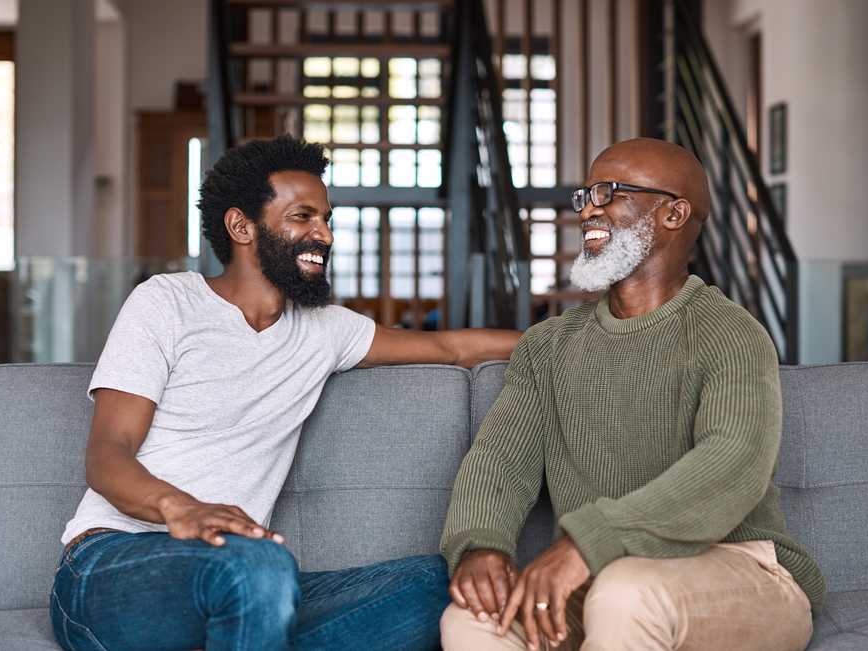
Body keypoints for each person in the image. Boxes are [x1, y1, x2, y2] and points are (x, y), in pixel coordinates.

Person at [50, 136, 521, 651]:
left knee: (443, 581)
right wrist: (179, 507)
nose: (324, 234)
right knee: (259, 566)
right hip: (114, 565)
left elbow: (452, 348)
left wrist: (579, 331)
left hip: (246, 578)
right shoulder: (167, 302)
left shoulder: (324, 330)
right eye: (302, 217)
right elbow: (107, 452)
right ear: (241, 226)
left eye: (326, 219)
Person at [440, 138, 826, 651]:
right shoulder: (549, 346)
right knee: (471, 621)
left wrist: (587, 542)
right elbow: (500, 462)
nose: (589, 207)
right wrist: (480, 545)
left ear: (674, 213)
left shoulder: (730, 332)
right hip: (598, 578)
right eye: (586, 195)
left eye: (610, 192)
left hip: (742, 572)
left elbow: (733, 461)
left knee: (626, 594)